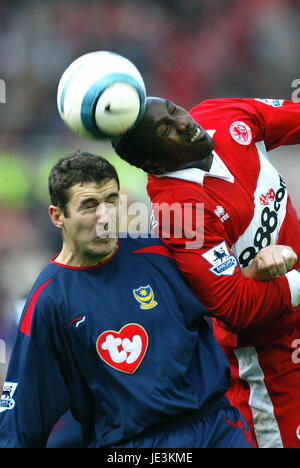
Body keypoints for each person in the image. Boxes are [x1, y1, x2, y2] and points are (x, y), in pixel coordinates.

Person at [0, 151, 257, 448]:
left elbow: (232, 295)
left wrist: (258, 269)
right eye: (89, 206)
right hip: (132, 447)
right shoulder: (49, 299)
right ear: (57, 216)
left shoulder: (159, 253)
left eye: (110, 201)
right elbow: (21, 417)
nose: (105, 217)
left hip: (215, 431)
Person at [112, 96, 300, 448]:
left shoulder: (223, 114)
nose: (183, 121)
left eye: (172, 109)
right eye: (165, 129)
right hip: (273, 359)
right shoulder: (178, 212)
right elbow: (237, 307)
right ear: (154, 162)